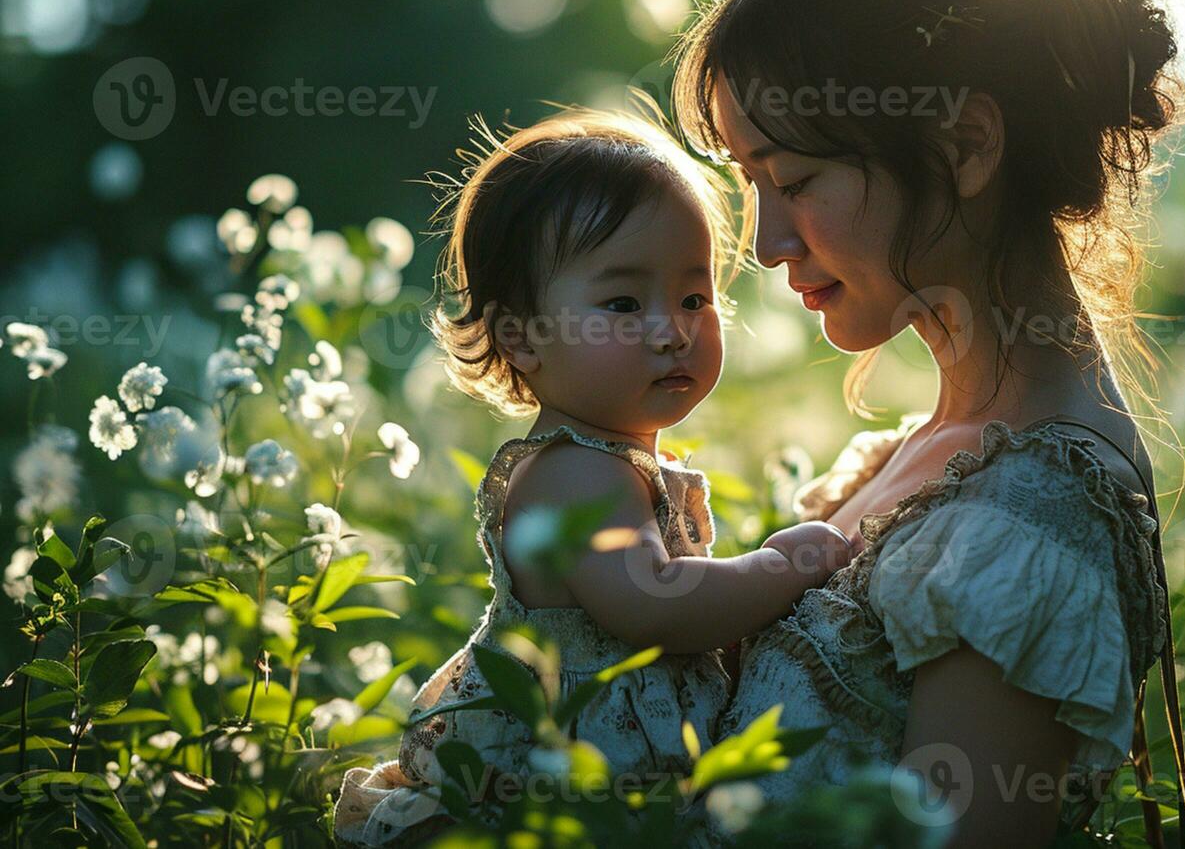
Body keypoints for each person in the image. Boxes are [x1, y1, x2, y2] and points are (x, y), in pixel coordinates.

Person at [669, 0, 1185, 845]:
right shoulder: (924, 453)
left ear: (963, 144)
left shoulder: (1033, 520)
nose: (764, 239)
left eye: (795, 178)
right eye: (750, 183)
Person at [332, 100, 857, 846]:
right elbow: (653, 605)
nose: (672, 330)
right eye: (622, 303)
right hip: (548, 792)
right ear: (521, 335)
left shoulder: (612, 461)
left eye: (693, 297)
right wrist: (784, 563)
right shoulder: (573, 473)